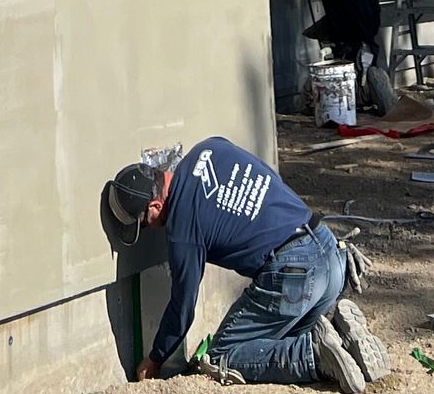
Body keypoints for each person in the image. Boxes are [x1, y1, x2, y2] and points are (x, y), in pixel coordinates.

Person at [104, 139, 387, 389]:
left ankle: (311, 355)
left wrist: (156, 358)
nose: (151, 229)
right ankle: (341, 336)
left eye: (145, 223)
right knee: (279, 341)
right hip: (328, 251)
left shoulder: (182, 229)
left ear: (155, 206)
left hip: (296, 276)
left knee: (221, 356)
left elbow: (183, 306)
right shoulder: (209, 148)